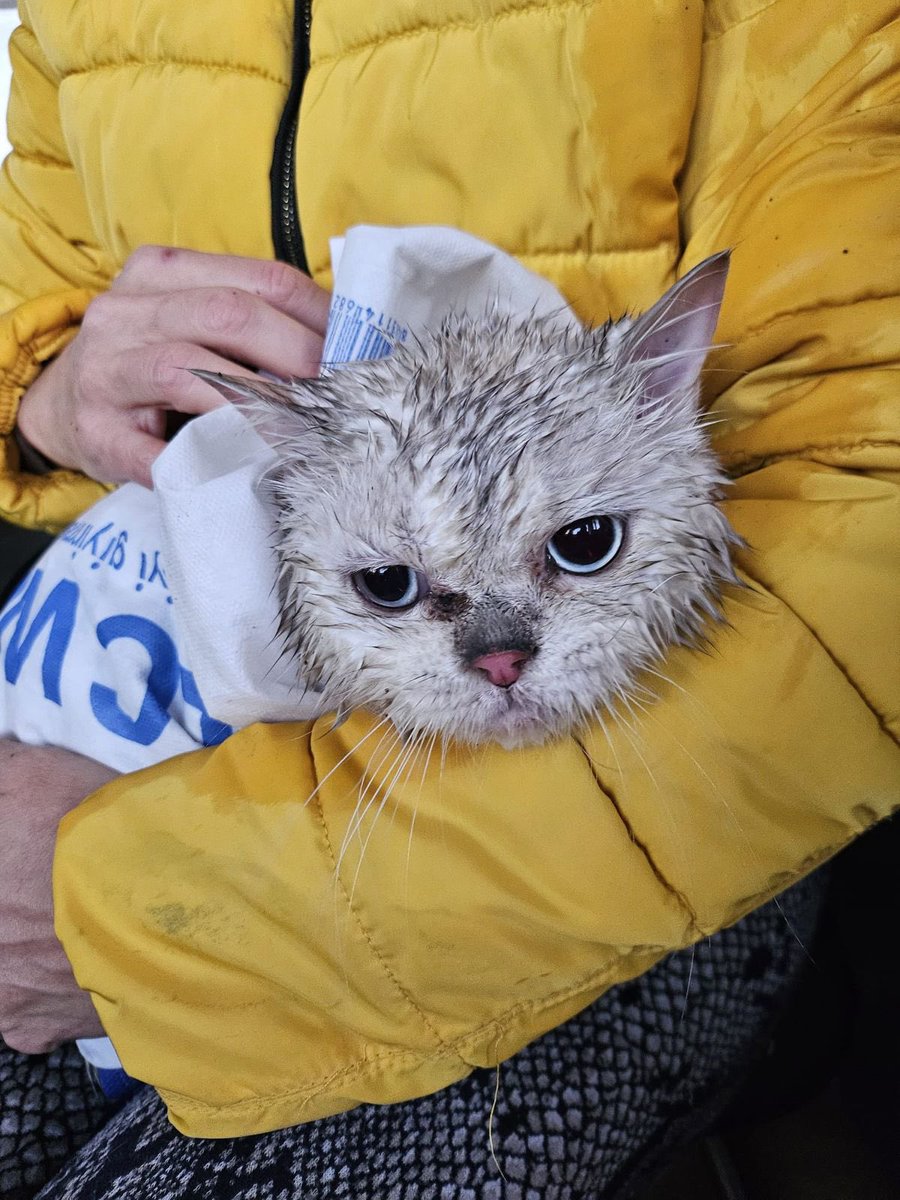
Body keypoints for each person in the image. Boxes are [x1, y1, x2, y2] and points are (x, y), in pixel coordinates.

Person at [0, 0, 896, 1194]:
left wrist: (135, 914)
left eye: (578, 544)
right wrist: (38, 389)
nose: (498, 652)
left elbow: (866, 516)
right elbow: (34, 268)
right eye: (389, 584)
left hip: (645, 834)